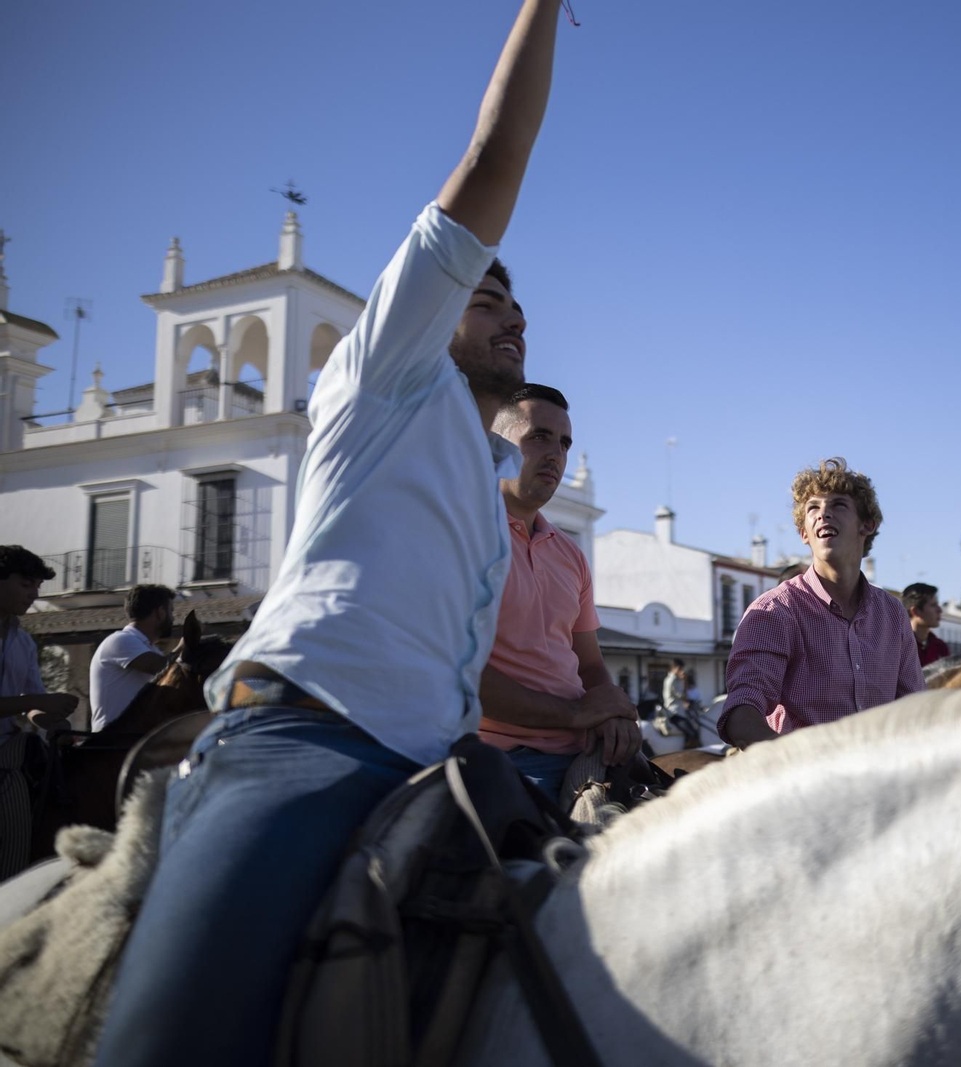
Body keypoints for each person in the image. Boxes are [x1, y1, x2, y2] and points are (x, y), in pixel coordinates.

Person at [96, 6, 573, 1063]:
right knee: (170, 1044)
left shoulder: (489, 475)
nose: (512, 312)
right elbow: (495, 157)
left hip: (439, 774)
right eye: (487, 294)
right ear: (427, 306)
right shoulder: (381, 368)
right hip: (299, 744)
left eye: (517, 306)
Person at [477, 385, 640, 801]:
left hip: (583, 752)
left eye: (564, 443)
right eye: (539, 437)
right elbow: (457, 672)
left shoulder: (571, 554)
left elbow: (590, 664)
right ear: (498, 445)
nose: (555, 454)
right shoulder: (465, 533)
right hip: (500, 758)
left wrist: (613, 710)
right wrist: (577, 713)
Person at [718, 458, 923, 747]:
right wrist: (802, 766)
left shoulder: (892, 613)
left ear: (867, 525)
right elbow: (741, 716)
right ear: (804, 533)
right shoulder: (774, 612)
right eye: (813, 508)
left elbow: (914, 710)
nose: (822, 514)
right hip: (806, 786)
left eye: (838, 505)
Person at [0, 546, 80, 879]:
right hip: (5, 756)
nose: (34, 595)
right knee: (15, 785)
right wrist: (37, 702)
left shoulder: (24, 643)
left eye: (37, 587)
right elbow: (29, 699)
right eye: (26, 584)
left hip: (8, 744)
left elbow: (32, 705)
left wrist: (55, 724)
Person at [88, 584, 175, 732]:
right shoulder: (121, 640)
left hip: (133, 739)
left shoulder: (149, 648)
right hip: (112, 742)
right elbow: (165, 668)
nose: (173, 618)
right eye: (171, 611)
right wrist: (186, 645)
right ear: (160, 612)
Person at [901, 582, 949, 666]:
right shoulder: (898, 646)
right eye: (933, 605)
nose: (939, 610)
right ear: (915, 611)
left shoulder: (940, 647)